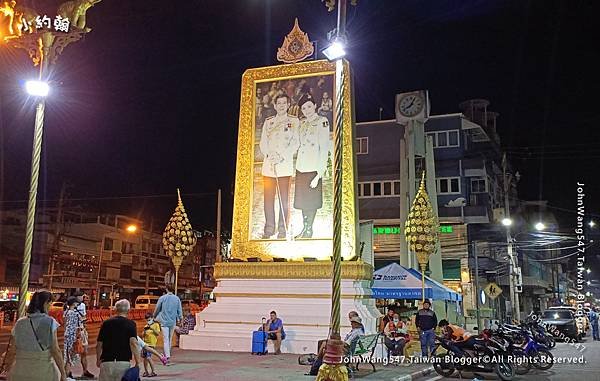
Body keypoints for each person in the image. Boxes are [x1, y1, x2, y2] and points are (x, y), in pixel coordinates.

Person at [259, 93, 300, 239]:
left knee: (284, 199)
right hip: (269, 166)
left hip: (284, 166)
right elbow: (263, 143)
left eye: (284, 103)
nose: (282, 105)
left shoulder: (294, 122)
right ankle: (269, 228)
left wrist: (281, 156)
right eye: (279, 103)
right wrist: (270, 155)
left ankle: (283, 229)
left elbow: (295, 142)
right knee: (268, 199)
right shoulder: (268, 122)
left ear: (288, 105)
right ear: (275, 106)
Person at [293, 92, 331, 239]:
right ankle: (304, 228)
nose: (307, 110)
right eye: (303, 108)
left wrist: (319, 174)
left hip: (313, 168)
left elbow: (323, 149)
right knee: (303, 201)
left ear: (315, 106)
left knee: (312, 201)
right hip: (301, 167)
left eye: (309, 106)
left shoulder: (322, 122)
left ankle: (309, 229)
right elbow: (297, 143)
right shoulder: (302, 124)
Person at [7, 290, 67, 381]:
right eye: (50, 303)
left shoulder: (20, 323)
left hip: (19, 371)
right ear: (46, 303)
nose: (50, 306)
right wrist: (63, 373)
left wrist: (7, 369)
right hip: (42, 372)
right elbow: (55, 350)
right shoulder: (49, 322)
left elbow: (12, 350)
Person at [96, 299, 141, 381]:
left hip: (106, 362)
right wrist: (138, 361)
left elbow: (99, 343)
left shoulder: (106, 323)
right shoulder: (131, 324)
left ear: (115, 309)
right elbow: (133, 343)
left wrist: (98, 359)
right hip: (123, 362)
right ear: (128, 310)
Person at [153, 285, 182, 363]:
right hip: (172, 322)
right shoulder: (177, 299)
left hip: (164, 321)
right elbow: (179, 310)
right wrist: (180, 319)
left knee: (166, 339)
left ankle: (167, 355)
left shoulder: (162, 298)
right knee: (169, 338)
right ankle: (167, 354)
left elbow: (157, 308)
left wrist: (154, 316)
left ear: (166, 289)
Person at [74, 292, 94, 379]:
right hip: (74, 331)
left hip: (82, 331)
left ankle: (85, 371)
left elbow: (84, 317)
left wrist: (84, 327)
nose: (83, 298)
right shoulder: (69, 307)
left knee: (84, 352)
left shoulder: (82, 305)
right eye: (81, 296)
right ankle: (67, 372)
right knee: (71, 353)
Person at [63, 297, 82, 379]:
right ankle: (66, 374)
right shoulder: (73, 313)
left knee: (67, 355)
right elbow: (75, 326)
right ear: (74, 303)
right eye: (77, 303)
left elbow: (66, 325)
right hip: (72, 336)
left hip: (67, 335)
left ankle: (66, 373)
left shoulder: (66, 312)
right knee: (69, 356)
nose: (77, 304)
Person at [141, 313, 161, 377]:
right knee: (145, 358)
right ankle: (146, 372)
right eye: (147, 320)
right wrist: (144, 331)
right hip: (145, 344)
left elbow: (157, 333)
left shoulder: (156, 325)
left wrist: (152, 328)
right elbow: (143, 335)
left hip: (151, 344)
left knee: (148, 357)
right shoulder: (146, 326)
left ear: (152, 318)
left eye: (149, 320)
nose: (148, 321)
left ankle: (153, 371)